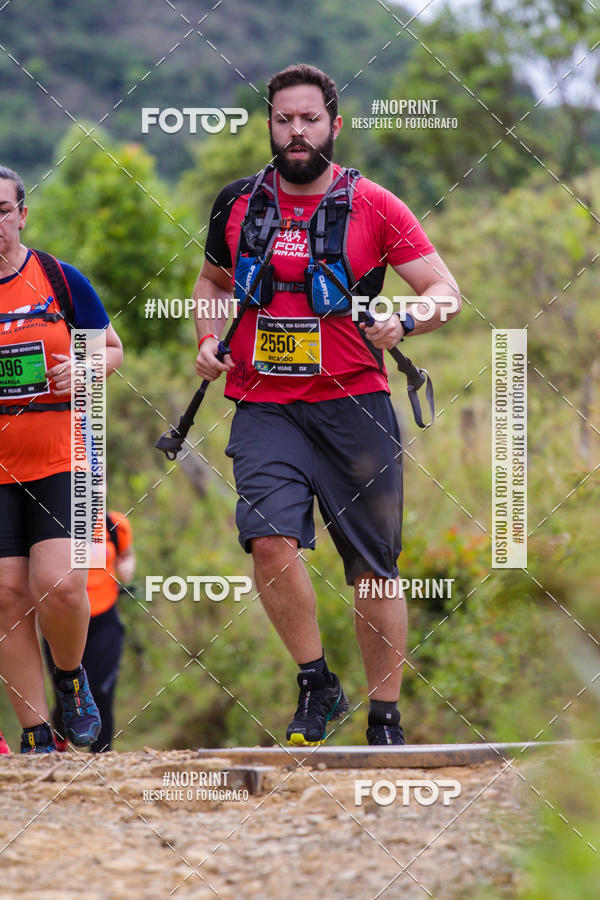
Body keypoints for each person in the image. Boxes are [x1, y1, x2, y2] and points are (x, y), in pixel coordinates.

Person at [194, 65, 460, 746]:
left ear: (334, 126)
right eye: (284, 119)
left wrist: (404, 319)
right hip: (264, 405)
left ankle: (386, 720)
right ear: (271, 126)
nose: (297, 132)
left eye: (310, 119)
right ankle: (317, 683)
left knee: (373, 569)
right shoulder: (237, 204)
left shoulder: (375, 204)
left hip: (355, 408)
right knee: (267, 540)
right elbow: (213, 282)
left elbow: (444, 290)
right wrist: (206, 338)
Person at [0, 165, 123, 753]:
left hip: (62, 455)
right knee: (6, 593)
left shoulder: (57, 278)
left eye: (2, 210)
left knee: (62, 586)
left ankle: (71, 683)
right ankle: (33, 734)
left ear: (22, 214)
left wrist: (84, 367)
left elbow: (110, 349)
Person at [44, 510, 135, 752]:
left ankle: (102, 757)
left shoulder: (115, 524)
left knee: (102, 689)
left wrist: (127, 567)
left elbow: (126, 555)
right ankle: (58, 747)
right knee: (65, 691)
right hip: (62, 622)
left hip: (104, 618)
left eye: (99, 480)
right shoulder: (53, 520)